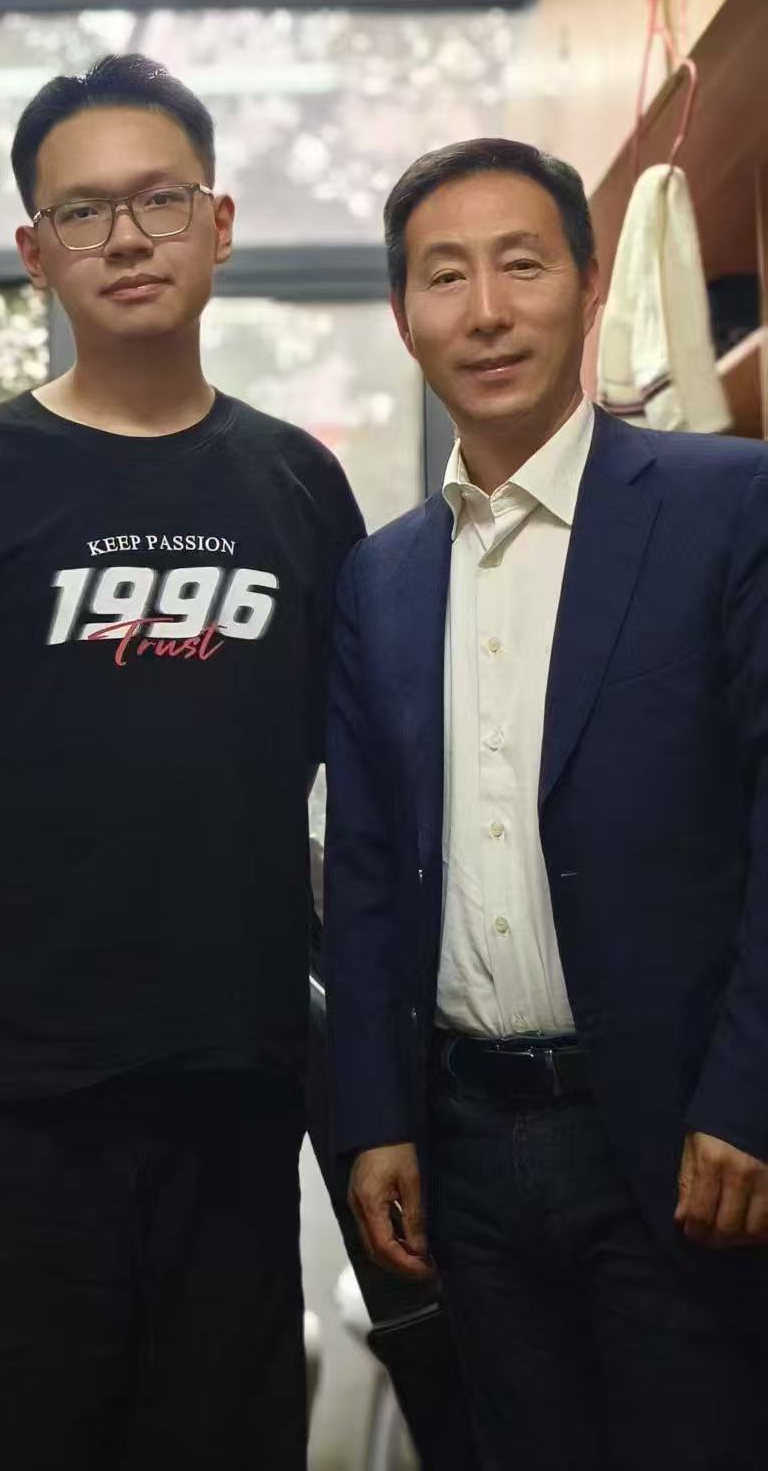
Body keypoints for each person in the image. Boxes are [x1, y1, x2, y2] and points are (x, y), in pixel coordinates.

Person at [0, 53, 365, 1470]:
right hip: (9, 1095)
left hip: (235, 1075)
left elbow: (357, 776)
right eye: (83, 211)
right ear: (33, 251)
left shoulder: (298, 485)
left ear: (218, 224)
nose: (127, 237)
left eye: (159, 199)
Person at [324, 136, 768, 1471]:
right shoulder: (384, 577)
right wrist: (374, 1119)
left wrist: (751, 1096)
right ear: (404, 315)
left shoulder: (726, 505)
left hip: (678, 1135)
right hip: (464, 1146)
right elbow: (368, 863)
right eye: (444, 276)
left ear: (587, 283)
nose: (487, 311)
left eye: (521, 265)